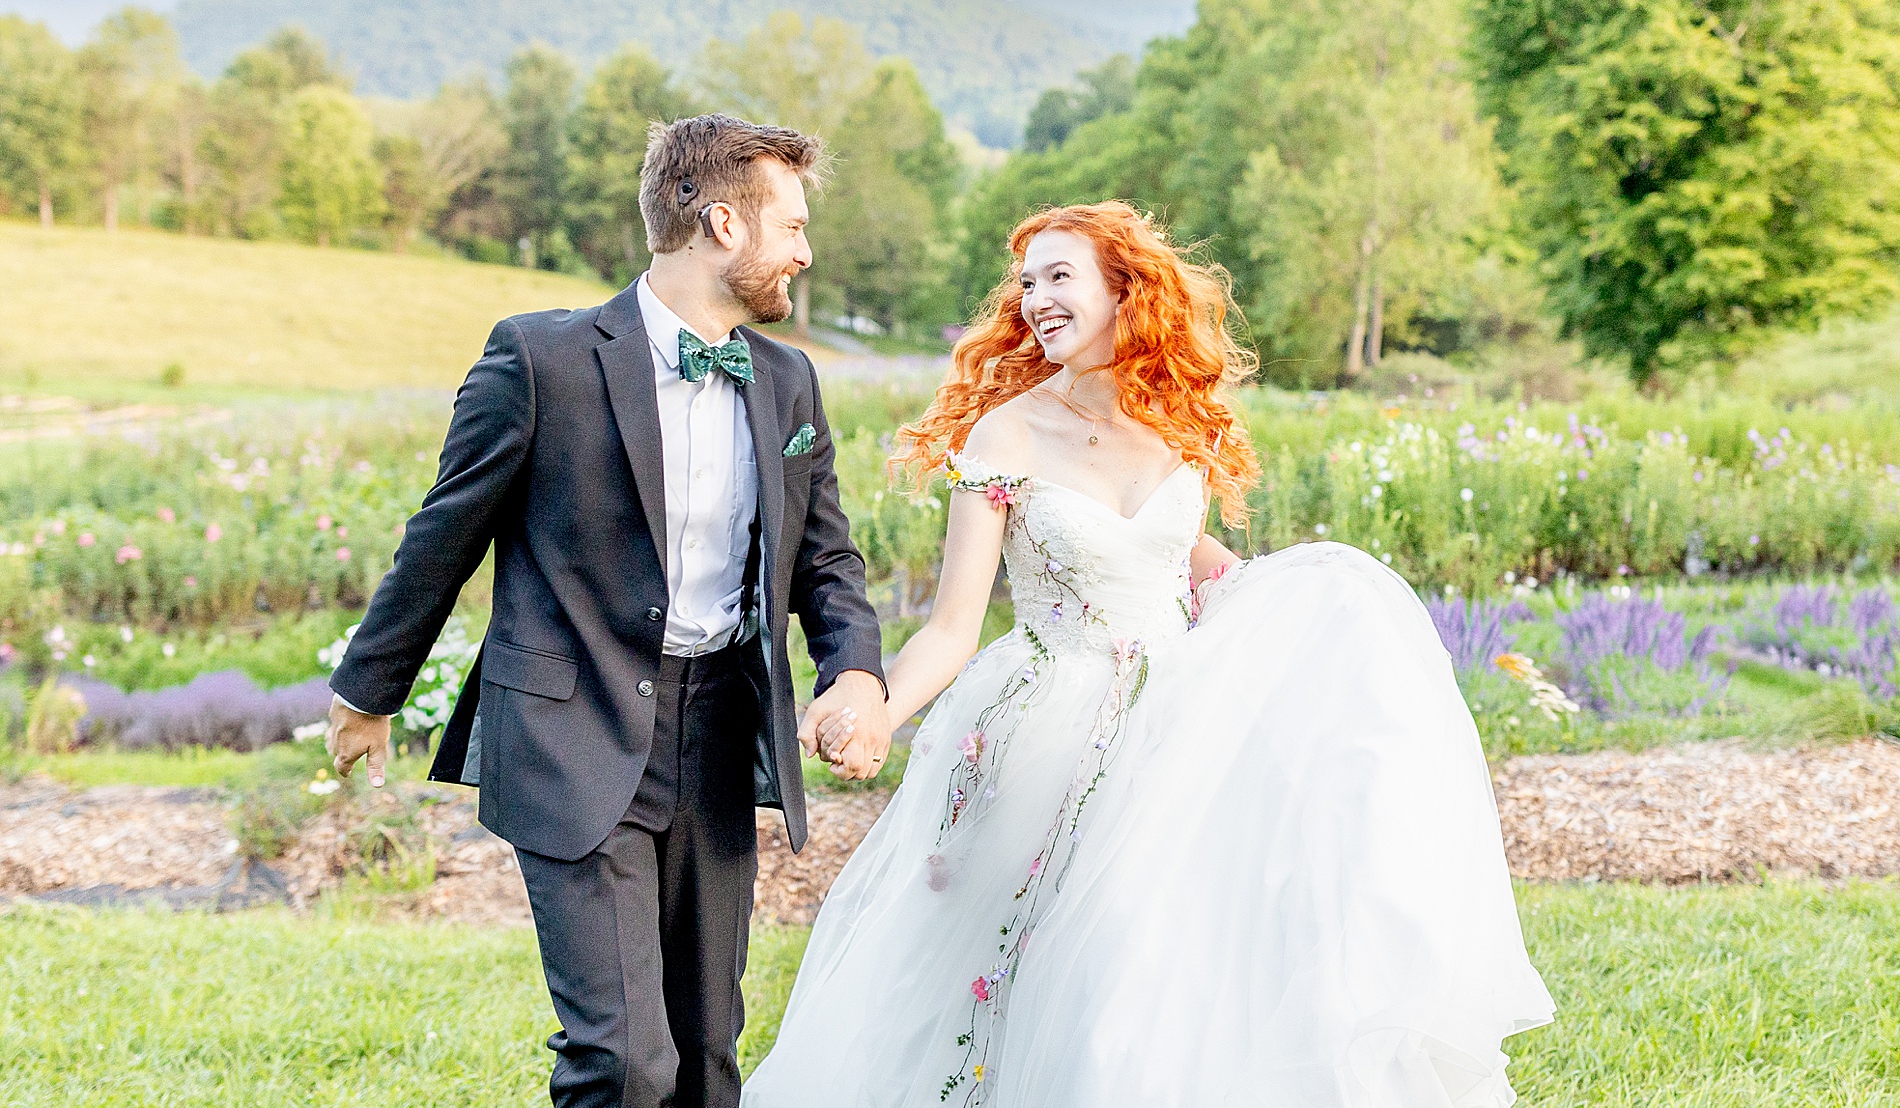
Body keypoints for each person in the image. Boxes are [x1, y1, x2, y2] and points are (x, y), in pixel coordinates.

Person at [751, 202, 1554, 1107]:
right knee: (1005, 965)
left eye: (1061, 276)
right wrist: (877, 712)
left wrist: (1328, 599)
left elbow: (1193, 568)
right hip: (1045, 731)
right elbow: (951, 628)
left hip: (1176, 730)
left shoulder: (1177, 426)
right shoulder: (1003, 435)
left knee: (1150, 966)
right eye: (1027, 283)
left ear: (1122, 287)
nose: (1037, 298)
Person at [323, 114, 892, 1108]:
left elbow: (826, 557)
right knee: (624, 1063)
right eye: (791, 225)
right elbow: (443, 534)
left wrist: (854, 669)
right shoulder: (540, 362)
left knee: (706, 1056)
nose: (805, 249)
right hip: (572, 724)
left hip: (719, 733)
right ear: (723, 224)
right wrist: (368, 691)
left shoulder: (788, 379)